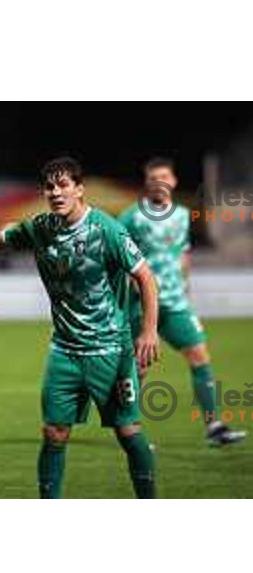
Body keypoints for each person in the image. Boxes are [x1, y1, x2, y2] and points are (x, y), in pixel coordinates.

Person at [0, 156, 160, 498]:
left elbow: (145, 277)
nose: (55, 192)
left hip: (109, 350)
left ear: (79, 189)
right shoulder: (40, 227)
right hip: (65, 351)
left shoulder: (106, 229)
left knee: (127, 432)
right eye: (49, 187)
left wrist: (148, 331)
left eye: (63, 185)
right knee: (54, 433)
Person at [119, 157, 245, 446]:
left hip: (176, 303)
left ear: (173, 181)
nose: (159, 183)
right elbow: (117, 258)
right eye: (153, 178)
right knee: (139, 367)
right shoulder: (131, 216)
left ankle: (214, 426)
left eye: (164, 177)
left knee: (199, 356)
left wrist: (187, 297)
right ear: (146, 184)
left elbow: (183, 255)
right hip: (141, 304)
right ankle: (132, 432)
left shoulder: (182, 215)